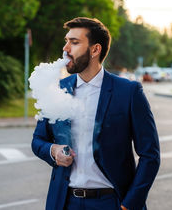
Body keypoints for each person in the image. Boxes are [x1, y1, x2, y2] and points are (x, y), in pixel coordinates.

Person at [32, 17, 160, 210]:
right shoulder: (57, 89)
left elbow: (150, 155)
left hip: (111, 202)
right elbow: (38, 140)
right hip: (65, 202)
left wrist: (129, 205)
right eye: (66, 41)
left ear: (95, 50)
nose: (66, 48)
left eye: (74, 42)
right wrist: (53, 151)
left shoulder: (128, 92)